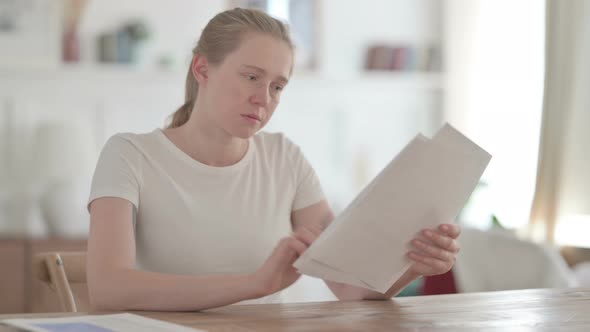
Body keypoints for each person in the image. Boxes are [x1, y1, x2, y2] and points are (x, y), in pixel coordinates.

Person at [87, 8, 461, 311]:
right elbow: (108, 288)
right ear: (202, 69)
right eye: (251, 77)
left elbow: (349, 285)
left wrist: (413, 265)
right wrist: (253, 285)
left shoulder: (285, 158)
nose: (264, 98)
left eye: (277, 86)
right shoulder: (130, 155)